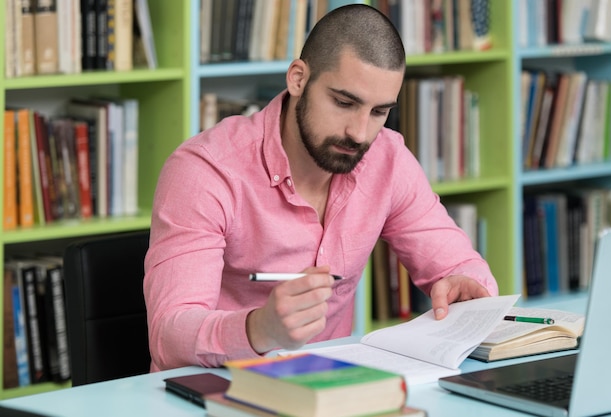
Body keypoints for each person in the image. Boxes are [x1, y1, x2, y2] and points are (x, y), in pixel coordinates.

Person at [143, 4, 499, 372]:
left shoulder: (388, 159)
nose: (360, 133)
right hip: (214, 391)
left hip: (329, 390)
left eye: (378, 112)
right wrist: (260, 329)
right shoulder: (206, 170)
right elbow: (169, 336)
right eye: (344, 103)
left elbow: (462, 266)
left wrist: (465, 285)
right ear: (298, 79)